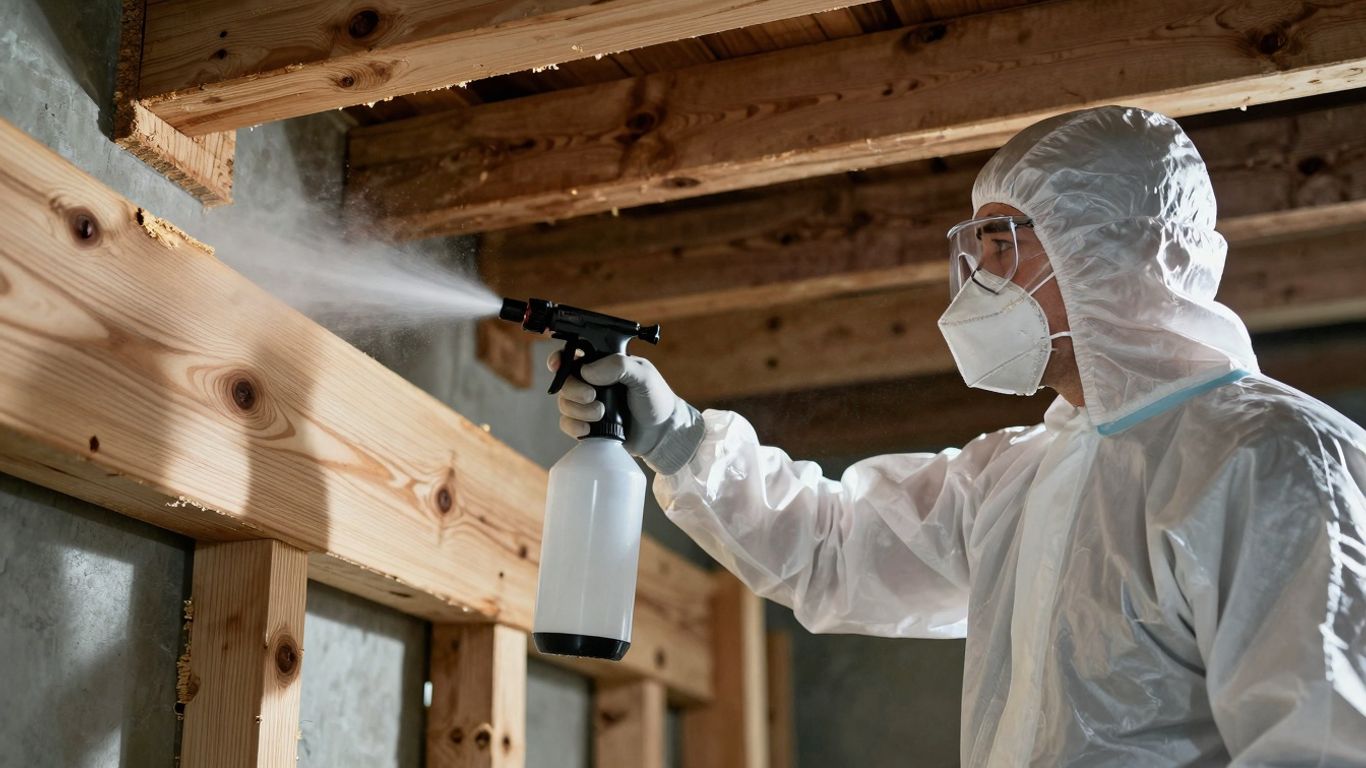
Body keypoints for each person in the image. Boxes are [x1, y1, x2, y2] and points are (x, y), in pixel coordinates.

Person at [550, 106, 1366, 764]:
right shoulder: (1023, 475)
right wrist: (680, 439)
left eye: (1003, 242)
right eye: (974, 247)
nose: (979, 278)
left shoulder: (1270, 457)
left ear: (1110, 252)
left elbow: (1322, 739)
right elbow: (836, 548)